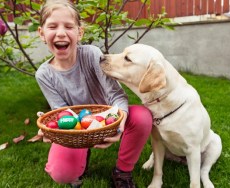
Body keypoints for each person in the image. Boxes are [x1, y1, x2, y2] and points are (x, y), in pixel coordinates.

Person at [35, 0, 153, 187]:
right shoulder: (44, 74)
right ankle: (79, 161)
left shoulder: (91, 55)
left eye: (68, 26)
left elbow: (116, 95)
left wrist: (119, 123)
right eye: (52, 26)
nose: (60, 32)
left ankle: (122, 172)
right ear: (42, 33)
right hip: (78, 129)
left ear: (79, 32)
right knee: (62, 173)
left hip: (109, 119)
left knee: (142, 117)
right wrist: (54, 129)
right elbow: (62, 113)